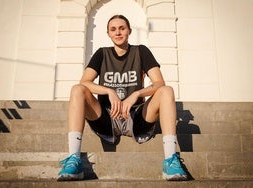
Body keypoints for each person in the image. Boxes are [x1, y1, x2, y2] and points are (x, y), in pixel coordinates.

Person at [57, 14, 188, 181]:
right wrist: (109, 91)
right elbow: (85, 82)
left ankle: (170, 160)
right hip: (106, 118)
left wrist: (136, 94)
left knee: (167, 90)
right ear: (108, 33)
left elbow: (159, 83)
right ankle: (74, 159)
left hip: (136, 117)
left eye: (122, 28)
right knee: (77, 89)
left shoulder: (141, 51)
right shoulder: (102, 54)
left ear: (129, 31)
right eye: (113, 29)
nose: (118, 32)